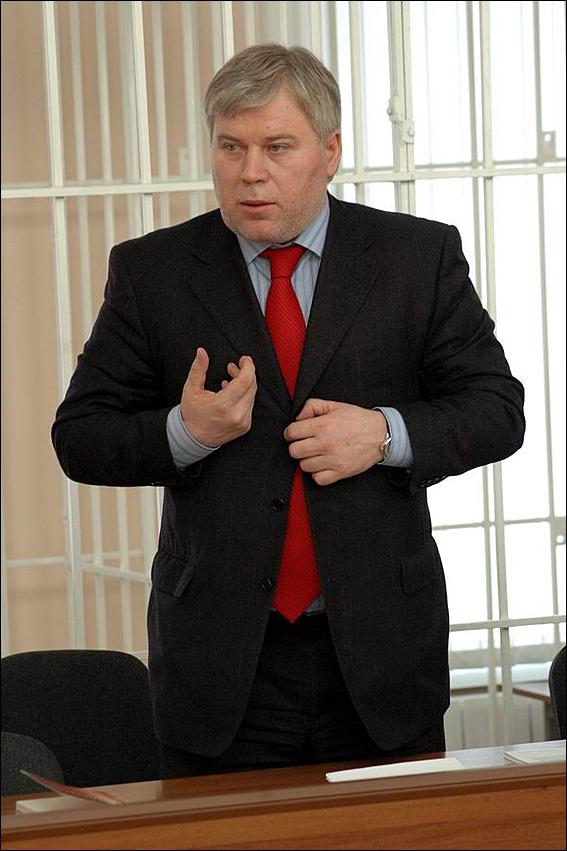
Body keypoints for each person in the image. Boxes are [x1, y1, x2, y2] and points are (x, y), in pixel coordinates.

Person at [52, 43, 525, 778]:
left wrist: (386, 433)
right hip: (221, 666)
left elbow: (497, 408)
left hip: (380, 655)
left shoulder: (415, 256)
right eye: (230, 147)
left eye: (277, 147)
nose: (250, 172)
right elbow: (80, 437)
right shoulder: (153, 271)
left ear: (329, 151)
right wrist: (185, 432)